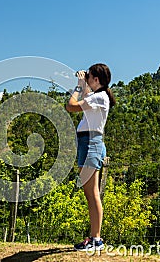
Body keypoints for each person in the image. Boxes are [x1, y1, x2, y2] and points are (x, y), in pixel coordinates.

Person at [66, 63, 116, 251]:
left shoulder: (100, 97)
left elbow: (71, 106)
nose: (86, 78)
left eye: (89, 77)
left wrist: (79, 84)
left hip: (91, 143)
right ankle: (95, 238)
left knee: (92, 192)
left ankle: (96, 239)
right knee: (90, 193)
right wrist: (84, 83)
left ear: (96, 79)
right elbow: (86, 97)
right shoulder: (97, 97)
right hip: (88, 142)